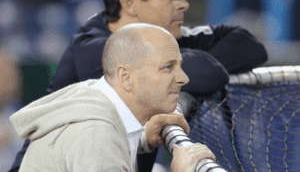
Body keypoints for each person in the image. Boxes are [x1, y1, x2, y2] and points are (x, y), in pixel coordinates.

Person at [9, 0, 268, 171]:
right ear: (129, 2)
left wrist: (139, 139)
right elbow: (207, 71)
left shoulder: (153, 39)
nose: (183, 4)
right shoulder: (98, 50)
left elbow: (249, 46)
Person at [10, 23, 216, 172]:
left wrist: (138, 139)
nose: (183, 78)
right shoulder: (96, 137)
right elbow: (97, 146)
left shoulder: (92, 96)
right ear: (126, 77)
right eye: (168, 67)